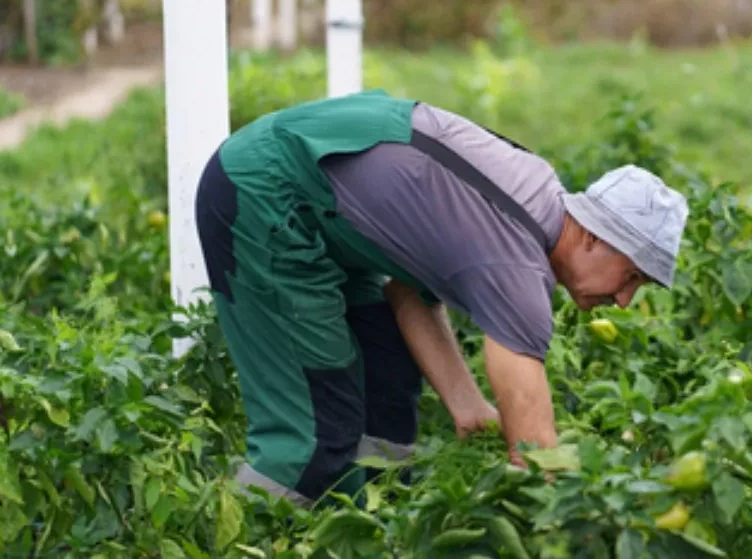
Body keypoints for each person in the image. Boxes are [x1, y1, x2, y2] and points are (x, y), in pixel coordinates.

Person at [193, 89, 688, 506]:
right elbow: (535, 450)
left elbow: (409, 290)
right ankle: (236, 534)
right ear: (594, 238)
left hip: (323, 207)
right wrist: (560, 510)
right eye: (631, 277)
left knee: (385, 385)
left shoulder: (535, 196)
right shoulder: (516, 265)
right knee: (315, 438)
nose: (624, 301)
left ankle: (368, 528)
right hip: (266, 195)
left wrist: (467, 406)